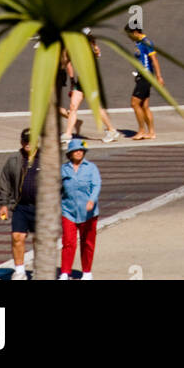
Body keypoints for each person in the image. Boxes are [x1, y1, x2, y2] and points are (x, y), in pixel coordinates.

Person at [61, 32, 120, 146]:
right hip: (82, 82)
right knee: (73, 106)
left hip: (90, 82)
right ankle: (68, 134)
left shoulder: (87, 49)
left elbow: (66, 61)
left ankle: (112, 131)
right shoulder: (87, 47)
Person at [0, 129, 39, 280]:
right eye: (25, 140)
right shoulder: (14, 159)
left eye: (31, 140)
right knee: (17, 237)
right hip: (20, 206)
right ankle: (20, 271)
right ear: (21, 142)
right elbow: (5, 182)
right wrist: (3, 204)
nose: (28, 143)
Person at [59, 138, 101, 280]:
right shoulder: (63, 169)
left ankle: (87, 272)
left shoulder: (91, 168)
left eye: (81, 150)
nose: (78, 152)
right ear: (69, 153)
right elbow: (57, 188)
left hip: (89, 213)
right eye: (75, 150)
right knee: (68, 242)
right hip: (68, 211)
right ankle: (65, 272)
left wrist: (91, 200)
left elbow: (96, 185)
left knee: (87, 242)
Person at [125, 22, 164, 139]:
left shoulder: (145, 42)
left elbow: (154, 59)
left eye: (129, 34)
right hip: (142, 76)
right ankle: (151, 132)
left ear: (135, 32)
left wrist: (159, 76)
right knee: (144, 105)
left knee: (134, 103)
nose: (128, 37)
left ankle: (141, 131)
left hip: (146, 77)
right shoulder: (139, 42)